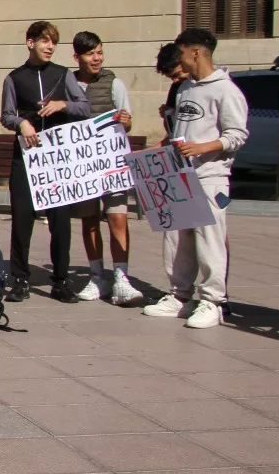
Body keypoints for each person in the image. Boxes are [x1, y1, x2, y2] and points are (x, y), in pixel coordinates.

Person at [143, 27, 248, 330]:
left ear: (196, 51)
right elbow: (177, 135)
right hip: (180, 175)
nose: (180, 58)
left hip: (212, 177)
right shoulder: (186, 88)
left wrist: (203, 147)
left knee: (209, 236)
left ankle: (213, 301)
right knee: (176, 237)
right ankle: (179, 295)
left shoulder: (226, 90)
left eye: (182, 51)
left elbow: (237, 134)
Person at [0, 21, 91, 303]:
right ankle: (20, 279)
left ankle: (61, 281)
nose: (50, 46)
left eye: (54, 42)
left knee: (60, 221)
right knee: (22, 219)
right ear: (30, 43)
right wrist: (22, 123)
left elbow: (85, 107)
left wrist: (63, 105)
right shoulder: (14, 78)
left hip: (57, 159)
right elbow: (5, 115)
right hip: (26, 157)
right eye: (45, 41)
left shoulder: (63, 75)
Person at [70, 31, 142, 306]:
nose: (97, 58)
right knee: (88, 221)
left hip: (111, 165)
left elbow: (128, 122)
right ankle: (97, 275)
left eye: (100, 52)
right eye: (91, 54)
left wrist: (126, 120)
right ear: (77, 57)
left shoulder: (114, 83)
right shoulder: (68, 84)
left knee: (117, 218)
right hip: (84, 168)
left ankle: (121, 277)